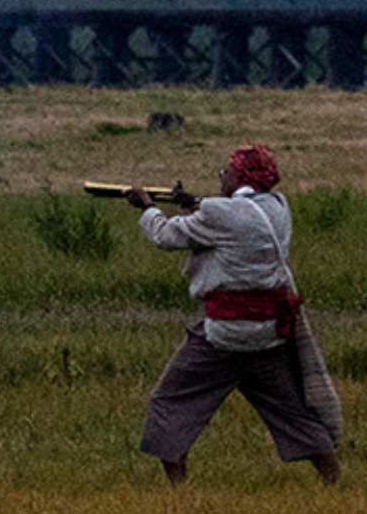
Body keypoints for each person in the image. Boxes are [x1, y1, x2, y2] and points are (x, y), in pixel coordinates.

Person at [133, 144, 344, 483]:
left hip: (225, 335)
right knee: (292, 413)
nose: (222, 175)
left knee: (169, 402)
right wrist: (197, 205)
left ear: (240, 176)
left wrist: (147, 208)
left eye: (226, 171)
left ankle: (176, 490)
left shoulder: (220, 213)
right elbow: (239, 217)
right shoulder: (278, 207)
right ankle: (334, 481)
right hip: (269, 332)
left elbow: (166, 236)